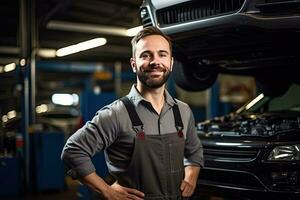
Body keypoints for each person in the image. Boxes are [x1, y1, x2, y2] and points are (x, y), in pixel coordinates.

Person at [61, 26, 204, 200]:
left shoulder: (183, 111)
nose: (155, 61)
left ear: (171, 63)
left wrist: (191, 176)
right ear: (134, 64)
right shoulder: (116, 114)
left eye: (162, 54)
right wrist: (107, 190)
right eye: (146, 55)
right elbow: (73, 151)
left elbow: (194, 152)